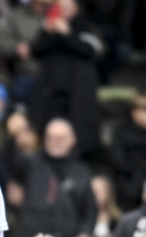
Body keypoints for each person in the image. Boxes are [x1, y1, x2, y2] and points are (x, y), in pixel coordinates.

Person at [30, 0, 103, 156]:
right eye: (61, 7)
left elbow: (92, 51)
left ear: (77, 8)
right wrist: (46, 31)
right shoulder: (49, 28)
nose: (65, 10)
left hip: (79, 94)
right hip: (51, 92)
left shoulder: (85, 27)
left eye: (69, 7)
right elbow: (35, 51)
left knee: (79, 137)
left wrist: (68, 34)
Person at [13, 119, 97, 237]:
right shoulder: (30, 164)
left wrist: (85, 233)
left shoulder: (81, 172)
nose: (55, 142)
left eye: (60, 138)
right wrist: (14, 137)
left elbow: (90, 209)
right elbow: (8, 163)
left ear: (72, 139)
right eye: (50, 137)